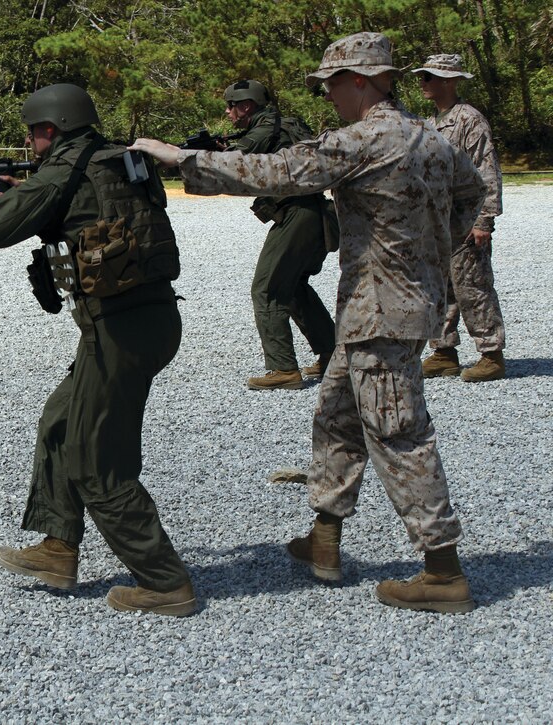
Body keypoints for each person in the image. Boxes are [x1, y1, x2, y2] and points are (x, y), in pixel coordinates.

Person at [130, 32, 487, 613]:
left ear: (363, 81)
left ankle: (442, 570)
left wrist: (181, 159)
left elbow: (283, 171)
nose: (327, 97)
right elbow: (470, 195)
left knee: (400, 433)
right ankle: (324, 541)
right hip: (382, 308)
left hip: (382, 312)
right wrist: (425, 254)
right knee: (337, 419)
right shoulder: (430, 138)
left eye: (332, 85)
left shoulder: (371, 138)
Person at [0, 83, 196, 617]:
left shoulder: (61, 171)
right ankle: (58, 548)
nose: (29, 141)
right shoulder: (114, 159)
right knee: (58, 421)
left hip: (118, 330)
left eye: (33, 132)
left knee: (99, 461)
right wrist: (30, 195)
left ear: (52, 128)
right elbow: (86, 211)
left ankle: (164, 581)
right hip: (151, 317)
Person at [220, 79, 337, 391]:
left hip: (296, 214)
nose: (229, 112)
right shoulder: (289, 124)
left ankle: (283, 368)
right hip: (314, 213)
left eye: (232, 106)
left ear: (246, 105)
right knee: (294, 285)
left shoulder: (266, 127)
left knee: (267, 289)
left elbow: (234, 159)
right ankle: (334, 354)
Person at [413, 54, 507, 382]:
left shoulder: (470, 120)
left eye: (429, 77)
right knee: (439, 287)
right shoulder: (433, 122)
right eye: (423, 76)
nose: (423, 82)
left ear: (450, 81)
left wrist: (484, 220)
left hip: (465, 218)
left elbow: (486, 168)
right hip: (437, 223)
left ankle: (491, 353)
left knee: (473, 286)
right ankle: (443, 351)